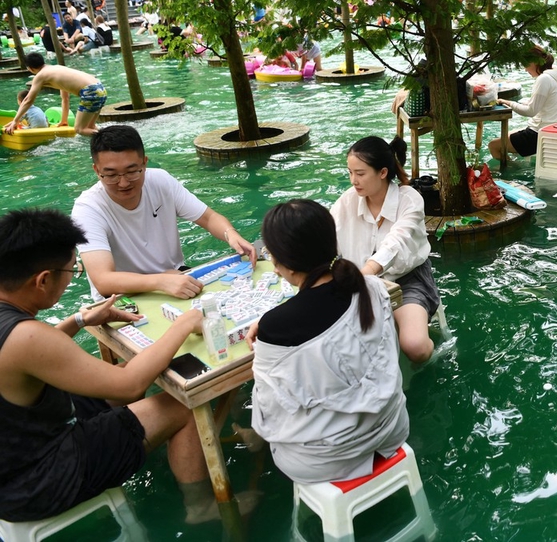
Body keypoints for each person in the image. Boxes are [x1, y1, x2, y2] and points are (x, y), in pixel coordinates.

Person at [0, 207, 224, 524]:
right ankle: (200, 508)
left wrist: (79, 320)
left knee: (122, 377)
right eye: (70, 272)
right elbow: (131, 384)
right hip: (36, 480)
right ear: (42, 280)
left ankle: (163, 449)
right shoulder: (27, 337)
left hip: (21, 448)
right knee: (182, 404)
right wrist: (185, 323)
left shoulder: (15, 327)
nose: (69, 280)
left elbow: (20, 357)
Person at [246, 199, 409, 483]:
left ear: (283, 263)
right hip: (391, 425)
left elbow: (268, 412)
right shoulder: (369, 286)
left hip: (326, 459)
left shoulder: (277, 328)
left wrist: (268, 326)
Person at [71, 126, 257, 300]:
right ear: (96, 171)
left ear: (144, 162)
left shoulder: (160, 181)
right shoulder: (87, 209)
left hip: (175, 277)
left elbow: (208, 218)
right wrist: (160, 280)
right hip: (120, 297)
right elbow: (103, 280)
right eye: (111, 175)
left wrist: (230, 234)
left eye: (132, 171)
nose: (123, 183)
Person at [330, 136, 440, 363]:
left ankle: (436, 349)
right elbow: (326, 237)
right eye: (350, 173)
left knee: (416, 347)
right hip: (359, 281)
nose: (353, 180)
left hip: (405, 280)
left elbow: (395, 243)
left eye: (360, 174)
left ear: (382, 172)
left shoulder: (409, 199)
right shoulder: (347, 201)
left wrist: (361, 276)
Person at [488, 46, 557, 161]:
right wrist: (518, 103)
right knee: (505, 136)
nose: (525, 69)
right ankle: (519, 163)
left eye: (525, 64)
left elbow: (530, 111)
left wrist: (509, 103)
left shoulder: (544, 79)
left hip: (540, 134)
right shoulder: (555, 75)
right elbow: (540, 105)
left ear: (534, 62)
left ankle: (510, 172)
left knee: (493, 146)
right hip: (554, 128)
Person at [3, 54, 105, 136]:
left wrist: (15, 121)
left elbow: (28, 100)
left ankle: (111, 139)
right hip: (100, 88)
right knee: (90, 127)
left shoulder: (40, 75)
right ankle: (108, 138)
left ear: (30, 68)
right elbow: (65, 98)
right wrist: (64, 120)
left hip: (90, 92)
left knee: (79, 129)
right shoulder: (56, 68)